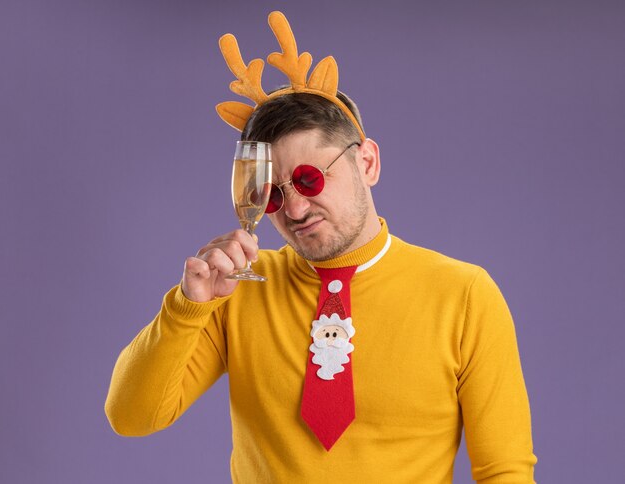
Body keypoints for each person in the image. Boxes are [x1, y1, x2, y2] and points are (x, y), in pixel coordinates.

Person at [105, 11, 537, 483]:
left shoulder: (465, 295)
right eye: (272, 194)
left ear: (366, 162)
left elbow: (505, 472)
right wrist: (188, 307)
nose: (293, 210)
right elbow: (132, 417)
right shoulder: (237, 292)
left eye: (309, 179)